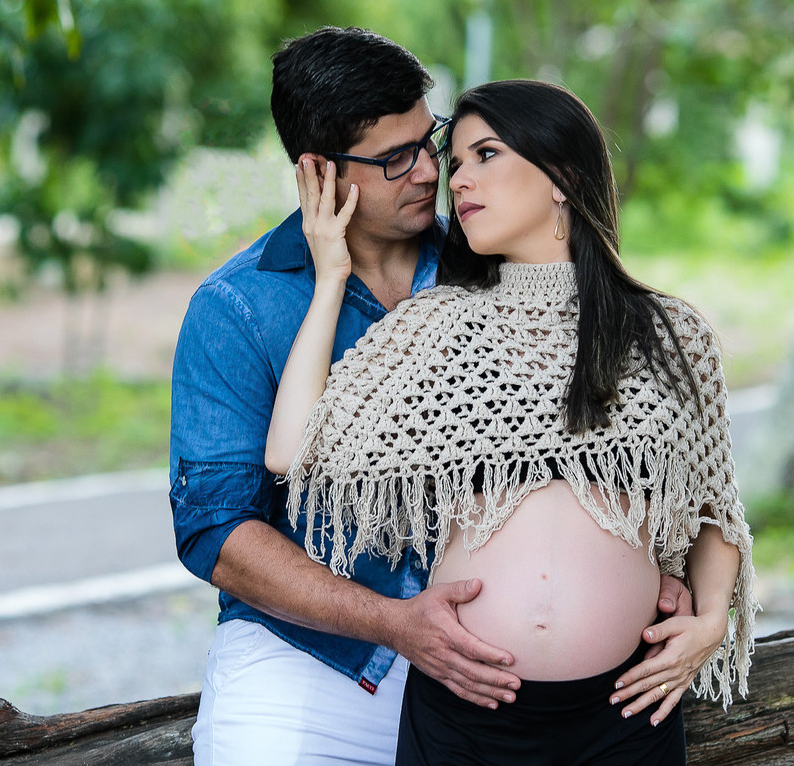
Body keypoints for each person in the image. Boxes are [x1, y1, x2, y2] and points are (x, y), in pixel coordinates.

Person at [170, 27, 691, 766]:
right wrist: (393, 622)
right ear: (319, 171)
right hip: (316, 656)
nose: (427, 172)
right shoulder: (236, 308)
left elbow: (600, 441)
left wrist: (660, 570)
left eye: (431, 141)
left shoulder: (489, 264)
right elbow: (216, 532)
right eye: (393, 159)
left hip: (504, 684)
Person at [266, 79, 756, 765]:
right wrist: (330, 277)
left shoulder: (671, 333)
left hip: (625, 713)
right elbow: (291, 450)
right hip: (466, 715)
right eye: (456, 161)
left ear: (562, 176)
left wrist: (708, 620)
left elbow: (713, 506)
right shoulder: (434, 328)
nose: (458, 179)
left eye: (485, 154)